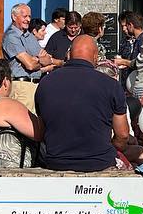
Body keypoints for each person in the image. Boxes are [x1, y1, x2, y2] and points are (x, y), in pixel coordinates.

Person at [35, 36, 131, 171]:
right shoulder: (111, 85)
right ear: (96, 56)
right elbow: (123, 135)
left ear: (68, 54)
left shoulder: (45, 83)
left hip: (57, 162)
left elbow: (41, 130)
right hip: (99, 163)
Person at [2, 2, 60, 112]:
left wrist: (36, 59)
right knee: (23, 123)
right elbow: (30, 65)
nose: (28, 19)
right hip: (21, 86)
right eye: (24, 16)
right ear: (14, 17)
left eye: (29, 16)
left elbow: (47, 59)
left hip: (35, 85)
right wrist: (39, 59)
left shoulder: (29, 36)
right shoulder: (12, 37)